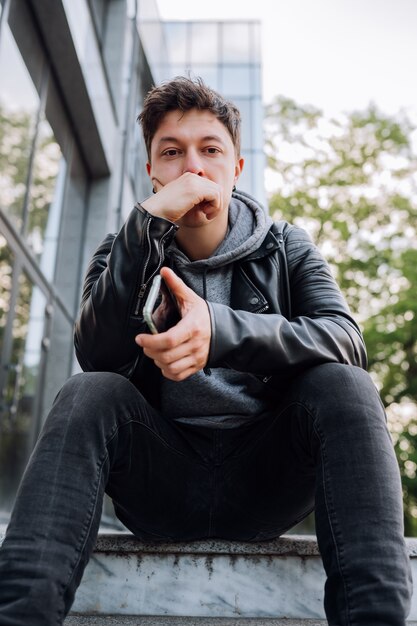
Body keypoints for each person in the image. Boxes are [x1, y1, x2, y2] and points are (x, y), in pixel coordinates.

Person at [0, 76, 412, 625]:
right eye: (171, 152)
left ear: (236, 168)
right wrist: (144, 228)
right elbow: (96, 355)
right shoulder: (122, 248)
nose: (192, 167)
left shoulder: (286, 246)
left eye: (210, 150)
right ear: (152, 171)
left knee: (346, 383)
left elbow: (345, 339)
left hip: (265, 478)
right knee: (88, 392)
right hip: (160, 483)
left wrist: (220, 330)